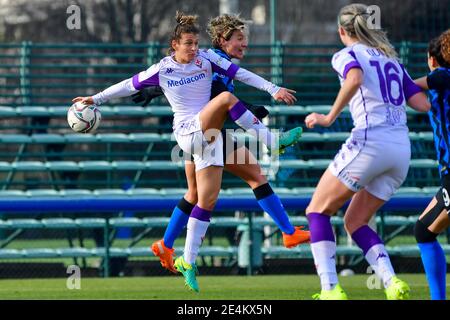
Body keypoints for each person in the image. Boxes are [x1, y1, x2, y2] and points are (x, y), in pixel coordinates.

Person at [73, 11, 303, 292]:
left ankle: (191, 259)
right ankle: (272, 141)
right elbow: (127, 84)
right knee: (226, 102)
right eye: (188, 44)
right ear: (175, 45)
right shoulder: (162, 68)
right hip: (188, 133)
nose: (194, 48)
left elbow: (239, 74)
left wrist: (272, 88)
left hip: (211, 134)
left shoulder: (207, 59)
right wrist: (94, 98)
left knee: (214, 196)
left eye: (196, 43)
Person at [132, 14, 310, 275]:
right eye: (239, 38)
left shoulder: (202, 60)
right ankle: (188, 259)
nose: (244, 44)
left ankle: (167, 244)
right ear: (222, 40)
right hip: (206, 135)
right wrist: (253, 105)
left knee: (200, 192)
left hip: (198, 134)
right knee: (221, 192)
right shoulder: (215, 60)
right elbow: (217, 95)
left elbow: (185, 79)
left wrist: (154, 89)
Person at [303, 3, 430, 300]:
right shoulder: (391, 59)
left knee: (317, 211)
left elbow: (355, 78)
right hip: (401, 151)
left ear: (342, 31)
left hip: (371, 142)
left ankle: (330, 289)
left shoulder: (346, 54)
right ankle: (391, 282)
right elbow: (422, 104)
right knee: (355, 221)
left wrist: (327, 117)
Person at [413, 29, 450, 300]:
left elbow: (409, 87)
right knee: (424, 230)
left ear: (432, 59)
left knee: (424, 232)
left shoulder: (442, 76)